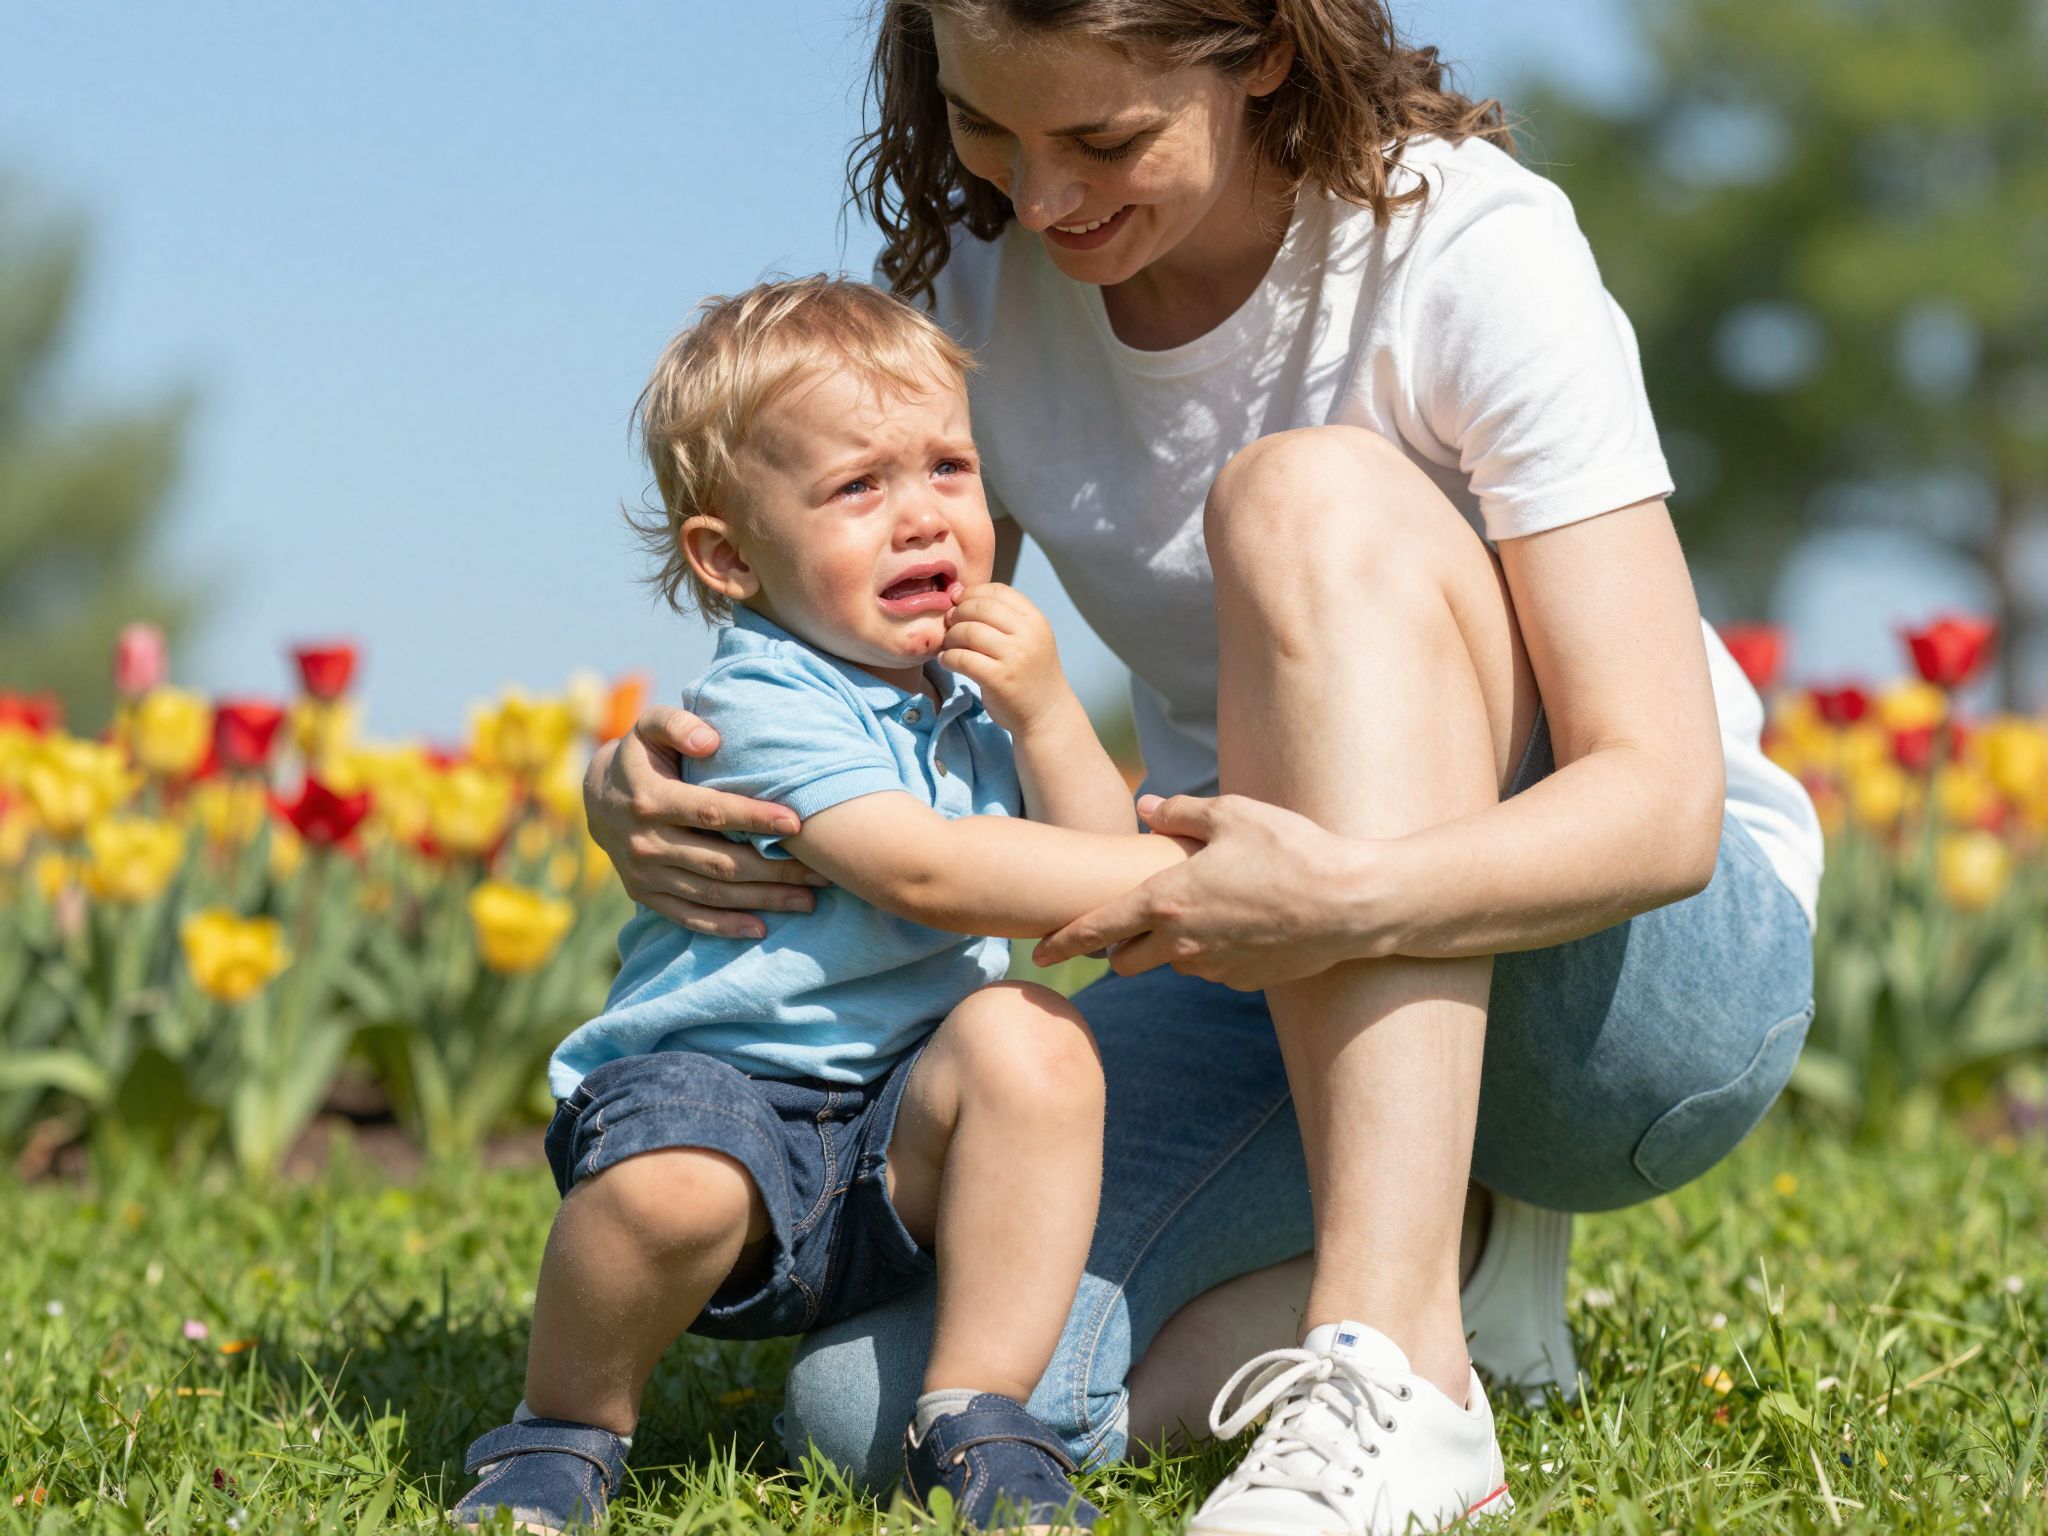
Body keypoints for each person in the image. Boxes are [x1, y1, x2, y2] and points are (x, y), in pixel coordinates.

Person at [584, 4, 1825, 1531]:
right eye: (988, 129)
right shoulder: (989, 281)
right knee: (876, 1419)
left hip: (1625, 990)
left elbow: (1663, 808)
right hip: (1269, 958)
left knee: (1304, 499)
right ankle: (1464, 1256)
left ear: (1264, 52)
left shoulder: (1470, 249)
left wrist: (1345, 895)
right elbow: (867, 638)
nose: (1040, 201)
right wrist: (654, 776)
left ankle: (1402, 1373)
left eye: (1103, 141)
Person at [455, 277, 1199, 1533]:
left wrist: (1050, 712)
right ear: (730, 556)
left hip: (904, 1116)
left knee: (1033, 1037)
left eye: (949, 469)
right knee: (665, 1193)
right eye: (859, 487)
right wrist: (1198, 874)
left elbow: (1082, 885)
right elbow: (924, 871)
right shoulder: (760, 703)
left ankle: (978, 1409)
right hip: (727, 1092)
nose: (922, 518)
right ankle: (561, 1428)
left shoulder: (966, 707)